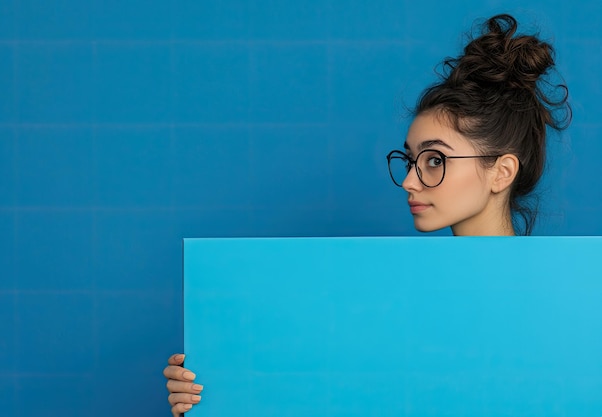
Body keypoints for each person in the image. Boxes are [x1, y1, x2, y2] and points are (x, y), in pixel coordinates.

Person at [162, 13, 570, 415]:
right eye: (410, 161)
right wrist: (213, 394)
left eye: (434, 160)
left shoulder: (565, 306)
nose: (410, 180)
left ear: (501, 172)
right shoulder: (394, 303)